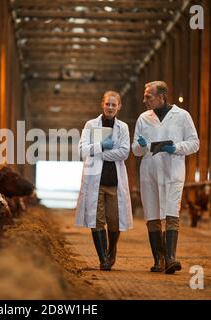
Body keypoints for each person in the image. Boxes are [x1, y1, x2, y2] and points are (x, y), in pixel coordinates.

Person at [132, 81, 199, 274]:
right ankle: (158, 260)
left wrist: (176, 148)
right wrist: (141, 145)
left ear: (161, 97)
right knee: (152, 217)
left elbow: (195, 143)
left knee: (172, 214)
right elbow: (135, 150)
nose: (145, 100)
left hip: (173, 172)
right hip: (150, 173)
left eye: (148, 96)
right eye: (145, 96)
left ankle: (170, 258)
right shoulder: (143, 118)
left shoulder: (182, 116)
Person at [75, 91, 133, 271]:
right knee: (97, 219)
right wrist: (100, 145)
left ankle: (111, 250)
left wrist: (99, 152)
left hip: (114, 182)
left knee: (114, 220)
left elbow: (124, 152)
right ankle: (103, 259)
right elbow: (82, 151)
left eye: (113, 105)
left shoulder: (123, 127)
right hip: (95, 181)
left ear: (119, 107)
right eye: (107, 104)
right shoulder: (91, 125)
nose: (110, 107)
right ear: (102, 104)